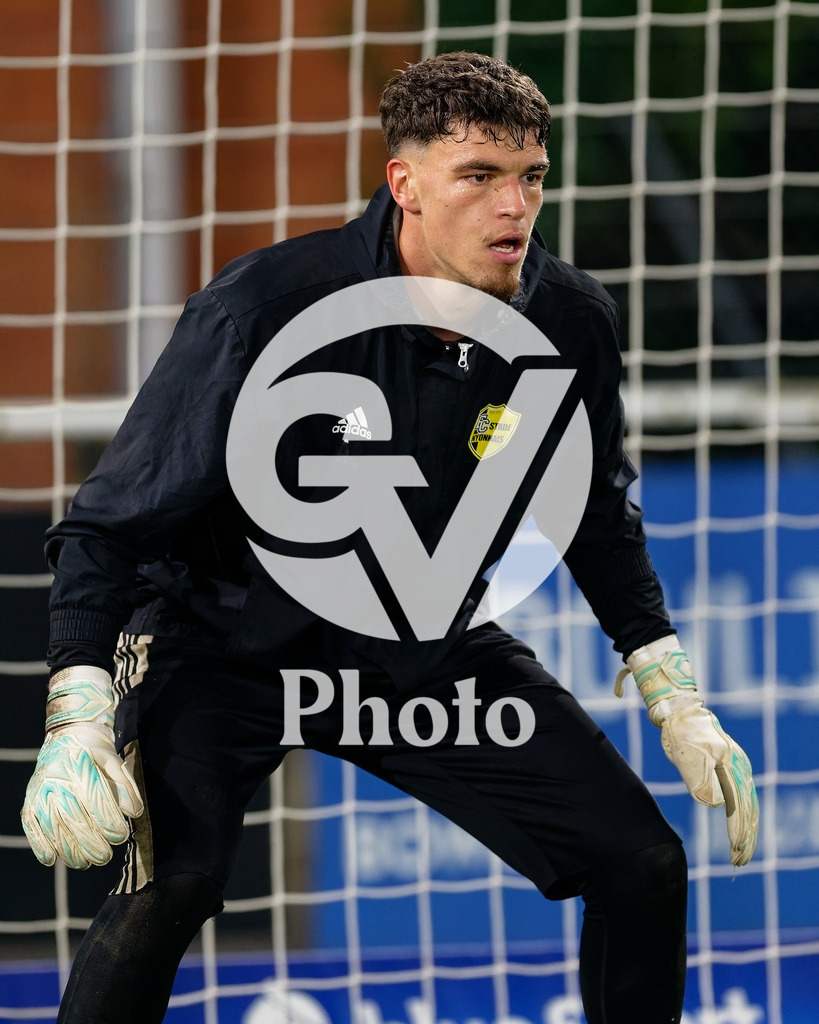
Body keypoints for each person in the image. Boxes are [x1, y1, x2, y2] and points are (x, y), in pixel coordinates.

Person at [21, 51, 758, 1024]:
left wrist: (673, 690)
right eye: (480, 177)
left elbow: (591, 513)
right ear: (405, 185)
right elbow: (110, 522)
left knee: (644, 862)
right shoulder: (267, 308)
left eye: (532, 177)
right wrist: (75, 709)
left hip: (418, 647)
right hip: (223, 641)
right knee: (169, 887)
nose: (515, 207)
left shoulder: (568, 322)